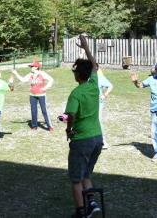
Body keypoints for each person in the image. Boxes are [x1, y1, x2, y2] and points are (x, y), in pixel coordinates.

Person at [64, 35, 103, 218]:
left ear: (77, 74)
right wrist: (86, 47)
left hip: (82, 140)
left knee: (76, 179)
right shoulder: (94, 85)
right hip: (97, 138)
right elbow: (94, 65)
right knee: (86, 173)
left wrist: (68, 129)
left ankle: (80, 212)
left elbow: (70, 115)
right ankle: (92, 203)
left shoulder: (76, 93)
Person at [12, 60, 55, 132]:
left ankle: (50, 126)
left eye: (32, 66)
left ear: (36, 67)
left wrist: (45, 88)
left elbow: (51, 80)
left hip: (42, 95)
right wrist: (16, 73)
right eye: (31, 66)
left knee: (44, 111)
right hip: (32, 95)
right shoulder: (30, 74)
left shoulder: (42, 73)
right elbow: (23, 80)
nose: (31, 67)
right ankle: (34, 126)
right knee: (33, 111)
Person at [97, 68, 113, 149]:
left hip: (98, 103)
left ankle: (103, 141)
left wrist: (104, 95)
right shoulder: (86, 77)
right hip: (87, 103)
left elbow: (110, 86)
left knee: (98, 120)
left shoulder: (99, 77)